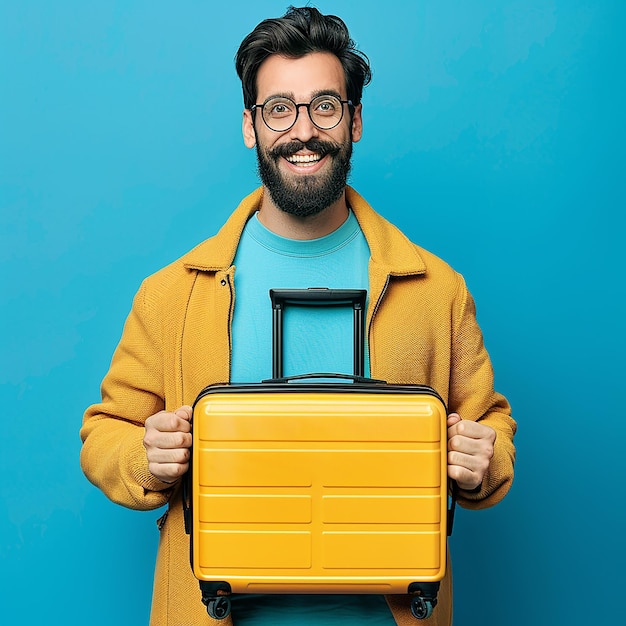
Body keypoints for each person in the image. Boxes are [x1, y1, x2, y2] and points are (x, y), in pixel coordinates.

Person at [80, 6, 516, 626]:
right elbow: (105, 431)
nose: (302, 130)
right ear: (250, 127)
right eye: (279, 108)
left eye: (325, 106)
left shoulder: (436, 290)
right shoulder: (172, 295)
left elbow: (490, 426)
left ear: (355, 121)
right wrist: (142, 457)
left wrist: (484, 460)